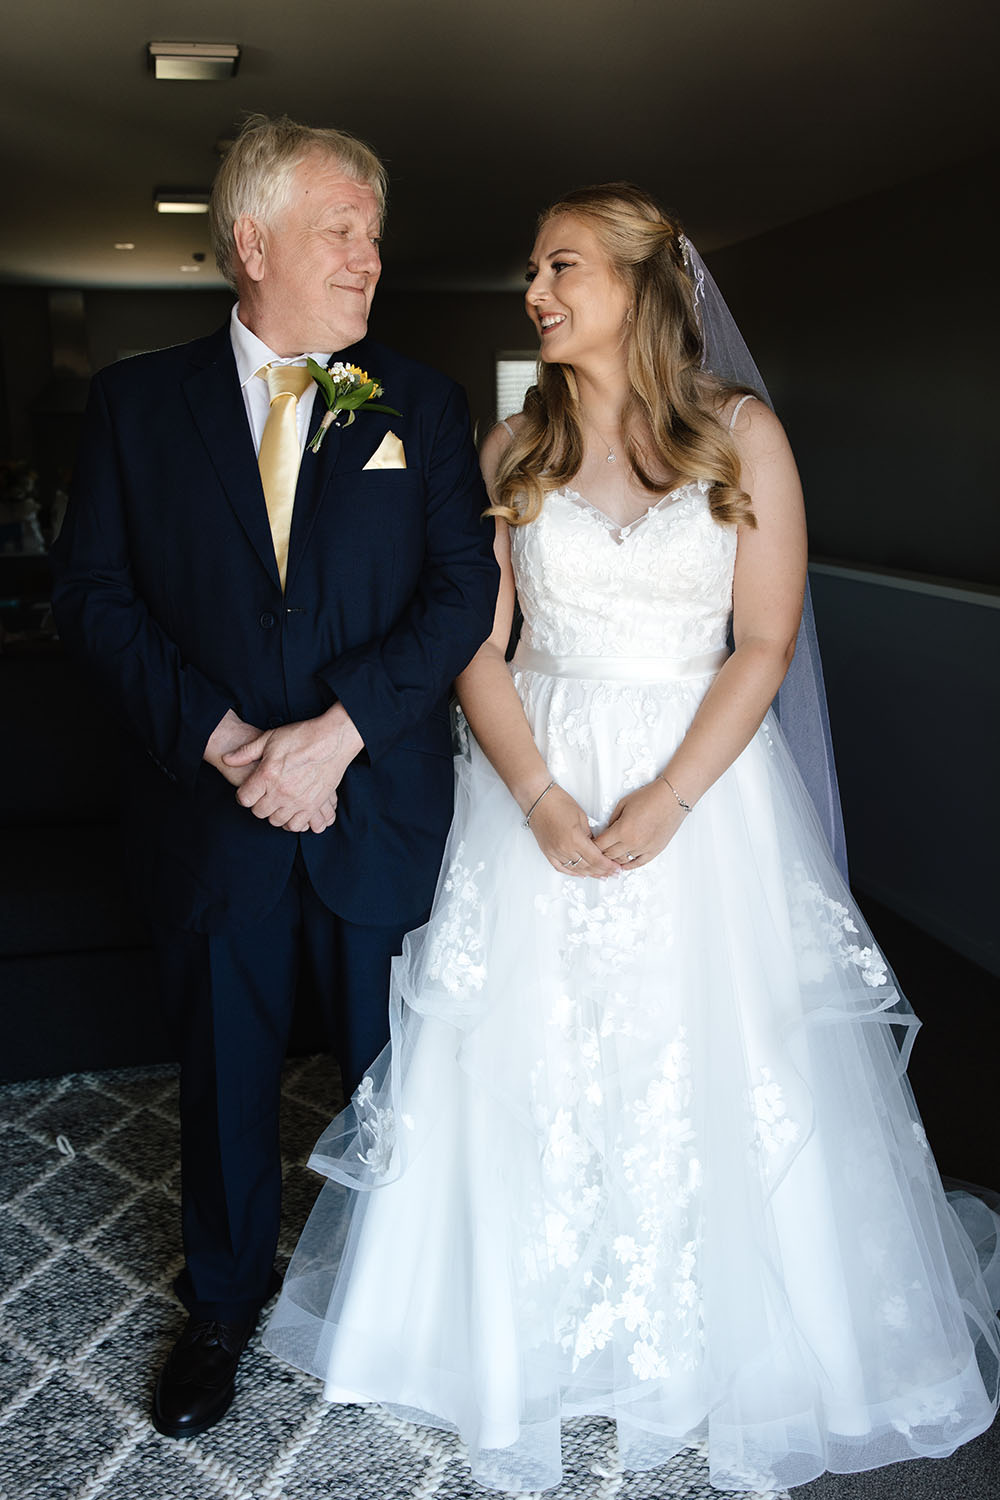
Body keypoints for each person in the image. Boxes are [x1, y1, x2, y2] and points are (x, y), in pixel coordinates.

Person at [262, 184, 1000, 1493]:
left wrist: (667, 798)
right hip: (530, 782)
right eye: (534, 270)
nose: (534, 291)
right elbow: (474, 647)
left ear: (647, 287)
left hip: (700, 786)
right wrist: (542, 793)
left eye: (562, 266)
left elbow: (763, 643)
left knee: (706, 1047)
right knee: (529, 1053)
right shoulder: (507, 453)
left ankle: (712, 1342)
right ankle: (528, 1340)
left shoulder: (742, 436)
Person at [50, 114, 499, 1440]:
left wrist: (337, 734)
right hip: (213, 808)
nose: (369, 258)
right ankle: (224, 1305)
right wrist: (230, 740)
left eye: (373, 233)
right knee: (225, 1068)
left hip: (381, 798)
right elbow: (93, 598)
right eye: (339, 232)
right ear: (250, 244)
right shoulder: (137, 405)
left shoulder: (408, 402)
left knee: (398, 1068)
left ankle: (404, 1297)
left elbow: (459, 590)